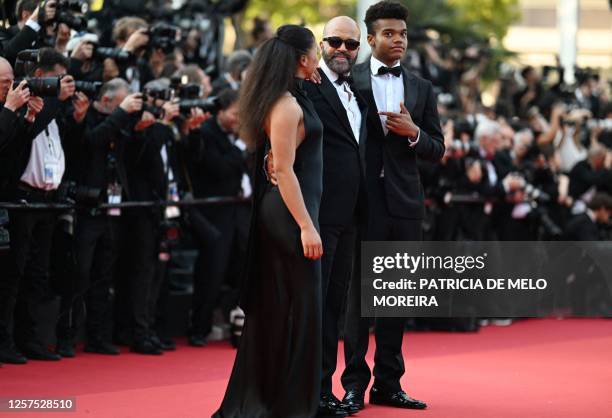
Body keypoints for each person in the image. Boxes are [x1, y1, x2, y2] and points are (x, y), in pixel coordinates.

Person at [212, 24, 323, 418]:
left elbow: (278, 162)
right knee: (300, 307)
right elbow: (286, 170)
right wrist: (307, 225)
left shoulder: (293, 97)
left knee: (287, 306)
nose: (321, 56)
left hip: (291, 210)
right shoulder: (286, 105)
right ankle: (288, 405)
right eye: (317, 51)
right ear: (303, 58)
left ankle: (281, 400)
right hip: (290, 215)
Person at [342, 0, 445, 411]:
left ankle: (389, 384)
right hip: (361, 203)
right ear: (370, 39)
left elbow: (437, 148)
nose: (398, 40)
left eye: (402, 33)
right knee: (358, 302)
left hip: (405, 204)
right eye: (388, 33)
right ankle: (352, 385)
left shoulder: (422, 88)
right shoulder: (349, 81)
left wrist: (414, 132)